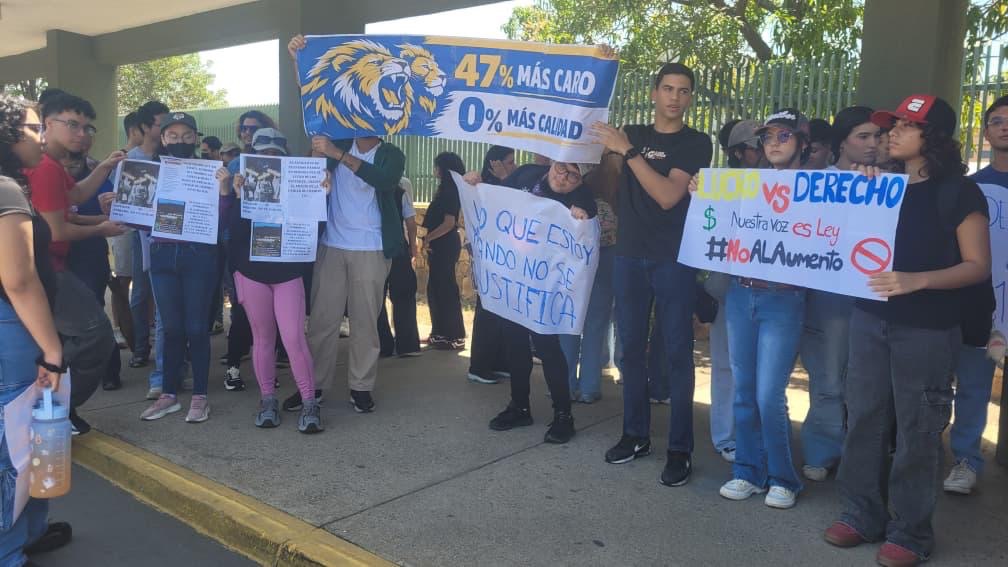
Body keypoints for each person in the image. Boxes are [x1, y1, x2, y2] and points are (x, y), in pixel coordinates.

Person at [824, 95, 991, 567]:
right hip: (869, 318)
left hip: (928, 327)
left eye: (906, 125)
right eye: (890, 125)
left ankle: (912, 533)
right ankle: (860, 514)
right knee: (864, 418)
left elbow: (978, 266)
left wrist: (918, 280)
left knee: (918, 429)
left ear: (933, 136)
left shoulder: (959, 191)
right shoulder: (881, 186)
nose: (891, 133)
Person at [591, 62, 712, 487]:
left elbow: (666, 196)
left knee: (678, 354)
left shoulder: (696, 143)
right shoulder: (632, 132)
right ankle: (635, 435)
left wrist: (628, 153)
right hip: (628, 255)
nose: (674, 97)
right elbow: (604, 178)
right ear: (654, 93)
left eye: (683, 90)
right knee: (629, 352)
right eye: (667, 88)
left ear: (690, 97)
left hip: (674, 259)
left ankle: (680, 449)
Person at [288, 34, 410, 413]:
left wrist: (340, 155)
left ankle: (361, 386)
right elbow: (314, 97)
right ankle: (314, 386)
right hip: (334, 247)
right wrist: (299, 59)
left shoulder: (392, 153)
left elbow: (384, 181)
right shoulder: (335, 139)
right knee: (322, 322)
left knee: (365, 324)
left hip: (372, 249)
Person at [463, 160, 597, 444]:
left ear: (581, 180)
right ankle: (519, 406)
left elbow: (588, 222)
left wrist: (582, 215)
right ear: (552, 163)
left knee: (548, 349)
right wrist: (476, 184)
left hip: (543, 286)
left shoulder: (582, 196)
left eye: (574, 175)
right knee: (514, 344)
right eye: (562, 168)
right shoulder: (527, 173)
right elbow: (497, 198)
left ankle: (563, 415)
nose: (564, 177)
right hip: (515, 277)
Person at [715, 108, 810, 510]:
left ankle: (783, 477)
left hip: (784, 298)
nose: (773, 143)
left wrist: (870, 180)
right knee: (744, 392)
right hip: (742, 293)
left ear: (802, 143)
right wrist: (704, 192)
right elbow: (716, 223)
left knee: (770, 394)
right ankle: (747, 471)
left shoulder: (819, 187)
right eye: (767, 137)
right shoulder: (743, 185)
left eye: (783, 136)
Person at [0, 94, 73, 567]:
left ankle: (31, 531)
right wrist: (51, 349)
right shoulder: (5, 189)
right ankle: (10, 551)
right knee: (18, 446)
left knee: (34, 436)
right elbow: (19, 279)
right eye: (32, 129)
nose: (41, 137)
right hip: (15, 326)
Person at [26, 92, 125, 434]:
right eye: (72, 124)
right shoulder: (44, 168)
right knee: (95, 335)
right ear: (47, 123)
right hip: (43, 270)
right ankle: (55, 410)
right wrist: (101, 229)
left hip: (43, 268)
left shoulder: (51, 165)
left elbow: (75, 199)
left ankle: (48, 407)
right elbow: (56, 231)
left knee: (57, 342)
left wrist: (106, 167)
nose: (81, 133)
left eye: (86, 127)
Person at [797, 105, 879, 482]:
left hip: (876, 300)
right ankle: (822, 451)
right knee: (828, 379)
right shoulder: (817, 182)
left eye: (877, 137)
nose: (872, 144)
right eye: (863, 136)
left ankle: (865, 456)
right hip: (829, 300)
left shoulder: (890, 183)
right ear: (842, 142)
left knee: (868, 385)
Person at [227, 128, 326, 433]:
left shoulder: (299, 186)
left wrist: (320, 197)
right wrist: (237, 197)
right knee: (263, 340)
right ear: (253, 155)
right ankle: (267, 399)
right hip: (252, 273)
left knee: (294, 339)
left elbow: (315, 234)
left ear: (284, 158)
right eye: (263, 153)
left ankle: (310, 403)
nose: (269, 159)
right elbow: (234, 235)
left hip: (287, 274)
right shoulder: (241, 185)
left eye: (275, 154)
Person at [942, 94, 1008, 495]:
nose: (1004, 125)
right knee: (973, 386)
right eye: (996, 120)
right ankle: (966, 460)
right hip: (983, 306)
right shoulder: (969, 190)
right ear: (985, 131)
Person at [139, 112, 221, 423]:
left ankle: (200, 396)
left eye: (186, 136)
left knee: (197, 328)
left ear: (196, 138)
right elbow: (137, 215)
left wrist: (224, 192)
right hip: (161, 254)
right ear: (162, 139)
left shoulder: (211, 172)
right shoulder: (151, 171)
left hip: (198, 254)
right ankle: (168, 394)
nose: (179, 141)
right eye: (172, 136)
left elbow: (222, 218)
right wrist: (116, 207)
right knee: (171, 328)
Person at [558, 155, 620, 403]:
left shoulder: (575, 186)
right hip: (608, 258)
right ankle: (590, 386)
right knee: (596, 324)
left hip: (574, 259)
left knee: (568, 323)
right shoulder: (619, 189)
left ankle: (564, 383)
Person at [466, 145, 516, 384]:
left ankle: (499, 361)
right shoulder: (481, 187)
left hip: (506, 257)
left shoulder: (508, 183)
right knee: (487, 311)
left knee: (503, 312)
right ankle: (480, 365)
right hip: (488, 257)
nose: (514, 167)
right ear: (494, 164)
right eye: (509, 162)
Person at [127, 100, 169, 380]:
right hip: (141, 238)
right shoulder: (131, 160)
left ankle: (168, 366)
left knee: (166, 306)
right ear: (144, 127)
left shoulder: (174, 157)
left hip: (171, 242)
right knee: (140, 295)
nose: (166, 129)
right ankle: (141, 347)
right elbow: (128, 209)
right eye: (160, 124)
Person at [421, 152, 467, 350]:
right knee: (435, 288)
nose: (435, 170)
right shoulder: (444, 189)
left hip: (445, 244)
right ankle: (438, 332)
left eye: (438, 166)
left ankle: (454, 334)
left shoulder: (451, 191)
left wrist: (428, 238)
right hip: (439, 244)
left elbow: (449, 223)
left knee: (446, 288)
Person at [378, 177, 421, 358]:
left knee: (375, 299)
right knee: (404, 294)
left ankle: (383, 344)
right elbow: (411, 224)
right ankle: (408, 344)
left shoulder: (369, 191)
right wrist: (412, 246)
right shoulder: (400, 193)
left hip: (373, 249)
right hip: (397, 248)